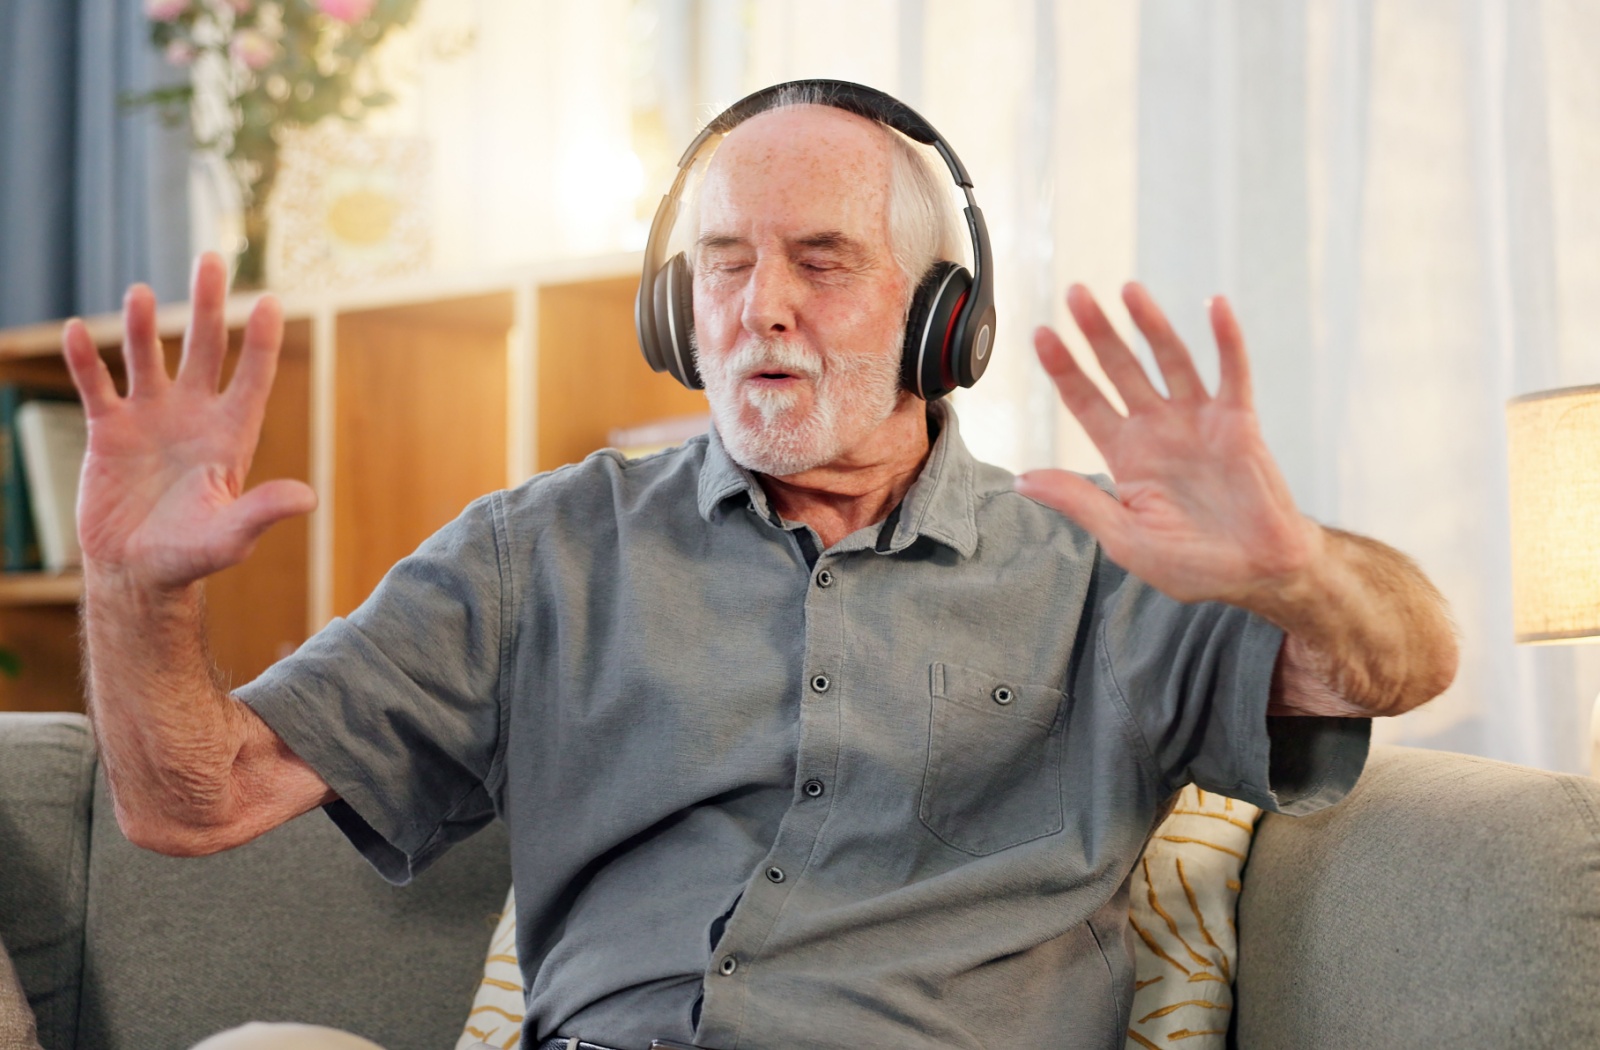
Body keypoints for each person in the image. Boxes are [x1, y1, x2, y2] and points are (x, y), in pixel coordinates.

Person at [61, 83, 1457, 1050]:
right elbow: (193, 799)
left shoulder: (1099, 557)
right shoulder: (540, 547)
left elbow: (1397, 659)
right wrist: (135, 590)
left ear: (941, 319)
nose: (760, 307)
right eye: (723, 263)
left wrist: (1295, 569)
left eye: (822, 261)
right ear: (677, 309)